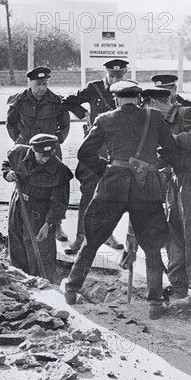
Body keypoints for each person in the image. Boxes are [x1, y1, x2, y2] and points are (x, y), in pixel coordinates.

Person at [61, 81, 180, 320]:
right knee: (152, 247)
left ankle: (72, 289)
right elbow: (172, 152)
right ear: (137, 99)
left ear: (116, 99)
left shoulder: (105, 119)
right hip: (146, 187)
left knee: (92, 240)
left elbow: (85, 153)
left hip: (111, 187)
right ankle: (155, 304)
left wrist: (106, 170)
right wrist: (151, 165)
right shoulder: (154, 117)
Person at [141, 87, 191, 309]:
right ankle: (179, 285)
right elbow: (166, 155)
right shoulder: (163, 122)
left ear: (154, 103)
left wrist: (174, 139)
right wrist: (148, 166)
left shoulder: (187, 113)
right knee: (174, 232)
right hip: (176, 180)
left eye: (147, 107)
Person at [61, 58, 129, 254]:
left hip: (118, 148)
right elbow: (68, 101)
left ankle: (107, 234)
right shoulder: (94, 88)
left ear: (125, 74)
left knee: (112, 193)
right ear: (106, 73)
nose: (116, 79)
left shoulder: (129, 89)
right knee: (89, 192)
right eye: (113, 75)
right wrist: (84, 114)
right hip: (95, 147)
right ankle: (81, 237)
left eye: (120, 75)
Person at [6, 66, 73, 242]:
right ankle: (21, 221)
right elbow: (10, 123)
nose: (42, 88)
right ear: (30, 82)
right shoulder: (19, 100)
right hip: (27, 150)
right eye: (38, 84)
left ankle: (56, 225)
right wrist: (20, 142)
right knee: (23, 186)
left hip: (50, 153)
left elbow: (65, 125)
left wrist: (55, 142)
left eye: (45, 84)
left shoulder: (57, 101)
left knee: (56, 187)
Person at [2, 134, 73, 283]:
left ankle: (43, 282)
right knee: (16, 241)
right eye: (41, 155)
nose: (45, 159)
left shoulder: (59, 170)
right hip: (18, 203)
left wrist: (48, 224)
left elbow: (60, 203)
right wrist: (7, 173)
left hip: (39, 212)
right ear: (33, 149)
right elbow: (7, 163)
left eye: (49, 155)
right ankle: (20, 278)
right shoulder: (19, 153)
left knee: (39, 250)